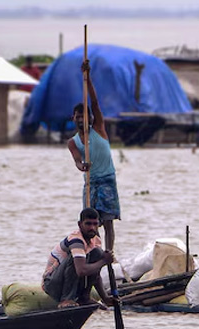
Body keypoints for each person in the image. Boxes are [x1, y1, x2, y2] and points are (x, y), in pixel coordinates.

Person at [67, 60, 120, 251]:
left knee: (108, 222)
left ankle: (109, 252)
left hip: (106, 180)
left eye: (84, 116)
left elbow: (95, 102)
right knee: (91, 222)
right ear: (73, 118)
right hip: (91, 182)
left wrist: (87, 78)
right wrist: (82, 166)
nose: (81, 119)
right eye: (78, 116)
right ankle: (94, 251)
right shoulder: (73, 141)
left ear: (90, 118)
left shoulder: (98, 128)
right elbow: (77, 160)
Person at [42, 208, 114, 308]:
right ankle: (66, 299)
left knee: (97, 253)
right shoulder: (76, 240)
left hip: (71, 281)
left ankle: (84, 297)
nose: (92, 228)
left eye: (95, 224)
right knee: (75, 259)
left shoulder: (95, 240)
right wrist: (104, 261)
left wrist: (105, 298)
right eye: (88, 224)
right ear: (80, 224)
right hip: (52, 284)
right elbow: (81, 271)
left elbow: (96, 273)